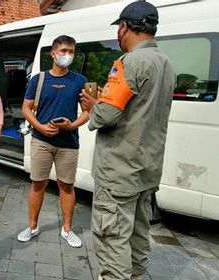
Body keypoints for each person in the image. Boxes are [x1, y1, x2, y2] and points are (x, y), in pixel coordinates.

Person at [80, 2, 175, 280]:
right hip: (146, 169)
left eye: (119, 29)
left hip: (119, 171)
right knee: (138, 234)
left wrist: (92, 106)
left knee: (112, 239)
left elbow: (104, 117)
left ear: (124, 27)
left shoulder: (128, 62)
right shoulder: (166, 63)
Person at [17, 35, 89, 247]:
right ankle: (32, 226)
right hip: (41, 141)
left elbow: (88, 112)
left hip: (68, 142)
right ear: (53, 53)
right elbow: (26, 108)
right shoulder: (38, 80)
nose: (67, 55)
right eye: (64, 51)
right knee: (38, 184)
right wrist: (40, 127)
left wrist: (72, 125)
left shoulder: (79, 81)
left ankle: (67, 229)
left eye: (71, 52)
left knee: (66, 186)